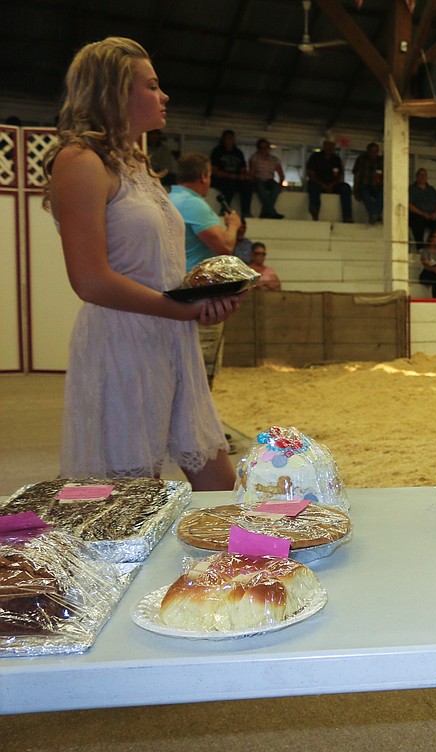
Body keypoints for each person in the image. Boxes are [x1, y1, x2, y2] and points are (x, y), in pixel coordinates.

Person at [43, 36, 239, 489]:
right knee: (132, 497)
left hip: (171, 337)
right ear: (115, 92)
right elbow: (91, 281)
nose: (163, 95)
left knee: (219, 484)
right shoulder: (81, 162)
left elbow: (156, 265)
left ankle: (245, 558)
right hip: (122, 342)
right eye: (152, 86)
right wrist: (182, 308)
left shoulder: (136, 164)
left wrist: (205, 295)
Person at [170, 153, 242, 390]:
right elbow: (225, 246)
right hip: (200, 294)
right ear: (203, 176)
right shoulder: (194, 204)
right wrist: (232, 225)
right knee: (202, 370)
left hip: (177, 291)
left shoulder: (168, 198)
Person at [304, 139, 353, 223]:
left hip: (333, 185)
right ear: (324, 145)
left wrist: (331, 185)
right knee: (312, 186)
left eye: (332, 146)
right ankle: (314, 209)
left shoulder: (336, 159)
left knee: (346, 187)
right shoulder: (315, 157)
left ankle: (347, 216)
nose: (330, 148)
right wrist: (322, 185)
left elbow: (339, 176)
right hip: (317, 183)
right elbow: (311, 174)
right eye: (328, 145)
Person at [209, 129, 251, 217]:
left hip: (235, 178)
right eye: (228, 138)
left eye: (232, 138)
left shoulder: (238, 153)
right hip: (221, 178)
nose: (230, 140)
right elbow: (215, 170)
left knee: (247, 185)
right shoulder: (217, 151)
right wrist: (230, 175)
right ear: (223, 139)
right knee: (229, 184)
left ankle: (246, 211)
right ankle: (224, 210)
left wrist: (243, 175)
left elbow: (243, 168)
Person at [407, 167, 436, 248]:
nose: (423, 177)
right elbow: (409, 205)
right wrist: (422, 214)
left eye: (424, 175)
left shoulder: (431, 189)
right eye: (420, 175)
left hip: (431, 215)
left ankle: (434, 245)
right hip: (418, 214)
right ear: (417, 176)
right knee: (417, 222)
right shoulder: (411, 189)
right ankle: (420, 247)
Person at [248, 138, 285, 219]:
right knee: (261, 189)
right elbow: (252, 171)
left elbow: (280, 173)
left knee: (275, 188)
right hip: (258, 178)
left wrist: (280, 183)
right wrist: (251, 182)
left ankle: (265, 212)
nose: (264, 150)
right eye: (262, 147)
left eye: (266, 147)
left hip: (269, 179)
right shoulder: (255, 157)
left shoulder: (274, 159)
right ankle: (272, 212)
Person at [352, 142, 383, 224]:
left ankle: (374, 214)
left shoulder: (381, 161)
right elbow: (356, 175)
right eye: (372, 151)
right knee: (364, 193)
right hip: (364, 185)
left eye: (376, 151)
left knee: (382, 194)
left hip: (377, 186)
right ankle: (375, 214)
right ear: (367, 151)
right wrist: (355, 190)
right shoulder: (361, 159)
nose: (374, 153)